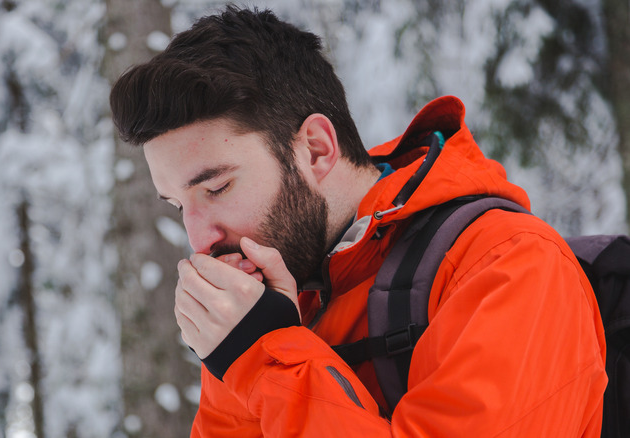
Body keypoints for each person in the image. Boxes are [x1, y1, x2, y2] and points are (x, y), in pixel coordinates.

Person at [109, 6, 607, 437]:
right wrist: (245, 355)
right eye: (178, 205)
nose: (199, 237)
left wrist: (267, 357)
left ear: (317, 149)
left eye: (217, 187)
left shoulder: (508, 266)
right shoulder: (274, 300)